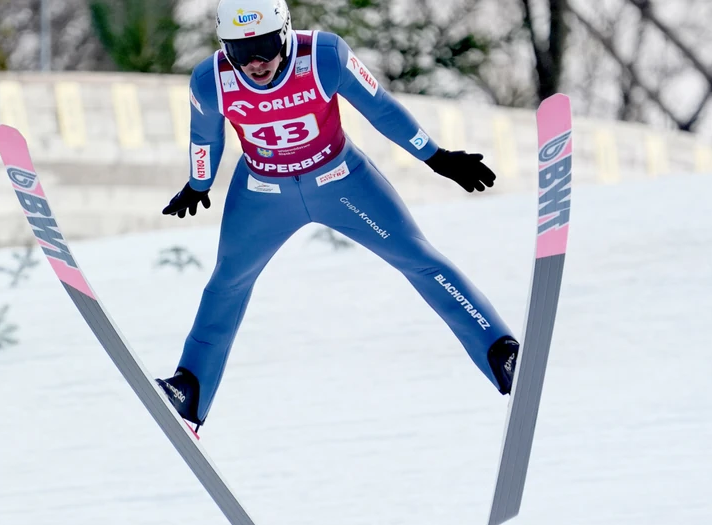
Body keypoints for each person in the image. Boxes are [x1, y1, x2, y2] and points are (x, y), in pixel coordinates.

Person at [156, 0, 518, 432]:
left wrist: (436, 157)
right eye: (240, 52)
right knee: (227, 283)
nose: (255, 63)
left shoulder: (324, 56)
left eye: (267, 46)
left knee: (417, 257)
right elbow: (204, 136)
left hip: (343, 182)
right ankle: (191, 388)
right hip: (262, 195)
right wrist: (199, 183)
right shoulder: (209, 80)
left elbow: (380, 107)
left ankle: (499, 348)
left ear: (286, 33)